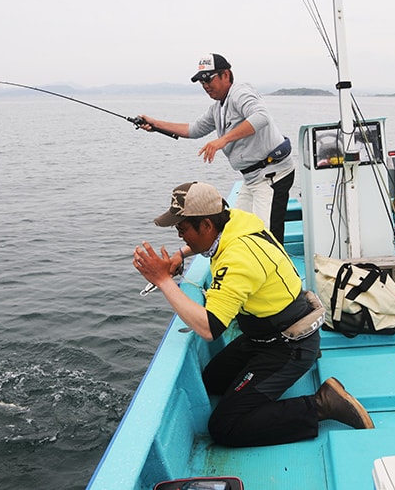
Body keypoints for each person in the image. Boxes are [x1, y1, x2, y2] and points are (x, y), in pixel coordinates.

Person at [133, 182, 374, 447]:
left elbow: (209, 328)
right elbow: (210, 241)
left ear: (207, 225)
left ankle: (323, 404)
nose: (180, 236)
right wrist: (181, 254)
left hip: (287, 345)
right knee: (212, 381)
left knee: (224, 427)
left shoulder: (237, 258)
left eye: (182, 229)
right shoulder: (235, 220)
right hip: (263, 335)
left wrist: (163, 280)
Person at [139, 53, 294, 245]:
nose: (205, 85)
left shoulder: (239, 93)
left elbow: (261, 116)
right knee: (235, 230)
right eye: (201, 81)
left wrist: (223, 140)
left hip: (272, 175)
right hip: (252, 179)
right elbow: (193, 130)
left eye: (208, 79)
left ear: (226, 75)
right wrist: (155, 124)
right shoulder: (217, 108)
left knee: (267, 239)